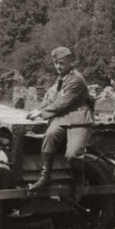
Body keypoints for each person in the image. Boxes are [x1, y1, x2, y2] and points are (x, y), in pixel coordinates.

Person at [25, 47, 95, 191]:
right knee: (49, 136)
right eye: (56, 63)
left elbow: (64, 102)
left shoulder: (76, 79)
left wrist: (42, 113)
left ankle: (79, 182)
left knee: (73, 155)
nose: (58, 66)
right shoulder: (62, 78)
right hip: (62, 117)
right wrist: (39, 109)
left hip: (79, 119)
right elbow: (53, 97)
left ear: (70, 62)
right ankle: (45, 176)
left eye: (61, 63)